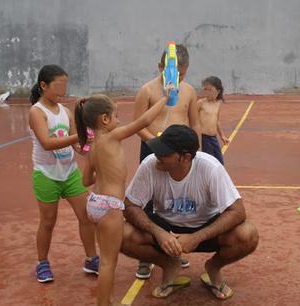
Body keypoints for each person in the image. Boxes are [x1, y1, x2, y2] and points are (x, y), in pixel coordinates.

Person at [121, 124, 259, 300]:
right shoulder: (150, 165)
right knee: (120, 234)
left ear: (185, 157)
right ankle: (169, 264)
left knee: (248, 234)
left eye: (164, 153)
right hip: (165, 227)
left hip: (205, 227)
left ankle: (213, 268)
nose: (157, 155)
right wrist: (160, 233)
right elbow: (130, 205)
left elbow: (238, 211)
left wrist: (197, 237)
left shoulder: (210, 168)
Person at [74, 86, 171, 306]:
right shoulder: (112, 136)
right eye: (116, 115)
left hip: (96, 203)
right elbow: (143, 122)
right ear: (105, 119)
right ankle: (103, 304)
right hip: (110, 205)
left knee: (106, 258)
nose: (119, 120)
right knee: (108, 262)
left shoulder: (93, 146)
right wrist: (165, 97)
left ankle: (106, 301)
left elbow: (85, 180)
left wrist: (104, 169)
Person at [132, 43, 201, 278]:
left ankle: (173, 249)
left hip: (180, 156)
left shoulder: (190, 91)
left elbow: (195, 123)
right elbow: (138, 125)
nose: (177, 77)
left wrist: (196, 150)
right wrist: (157, 146)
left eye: (182, 73)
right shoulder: (148, 91)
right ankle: (145, 256)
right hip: (153, 150)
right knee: (147, 203)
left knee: (174, 200)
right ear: (161, 67)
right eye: (172, 72)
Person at [28, 64, 98, 283]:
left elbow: (77, 146)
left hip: (70, 173)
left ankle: (91, 258)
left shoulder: (66, 112)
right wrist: (79, 138)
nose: (63, 92)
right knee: (48, 221)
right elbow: (47, 143)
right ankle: (42, 263)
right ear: (43, 86)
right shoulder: (36, 112)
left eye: (65, 86)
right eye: (59, 87)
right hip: (46, 174)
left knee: (86, 216)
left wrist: (91, 146)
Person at [198, 76, 229, 164]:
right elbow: (193, 119)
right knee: (209, 163)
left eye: (210, 90)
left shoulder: (218, 103)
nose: (207, 93)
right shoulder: (201, 103)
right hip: (203, 138)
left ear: (218, 91)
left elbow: (217, 121)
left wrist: (222, 136)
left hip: (213, 138)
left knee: (219, 162)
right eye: (205, 90)